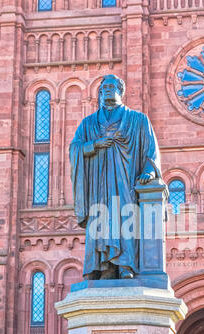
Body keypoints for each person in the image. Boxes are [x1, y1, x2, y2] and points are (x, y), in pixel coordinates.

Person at [69, 74, 162, 280]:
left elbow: (151, 150)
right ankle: (104, 267)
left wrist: (149, 170)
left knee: (124, 218)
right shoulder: (88, 123)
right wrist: (94, 145)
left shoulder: (138, 120)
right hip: (98, 184)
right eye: (104, 87)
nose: (108, 90)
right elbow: (74, 148)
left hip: (125, 182)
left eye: (112, 86)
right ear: (100, 92)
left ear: (121, 90)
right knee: (99, 220)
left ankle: (125, 265)